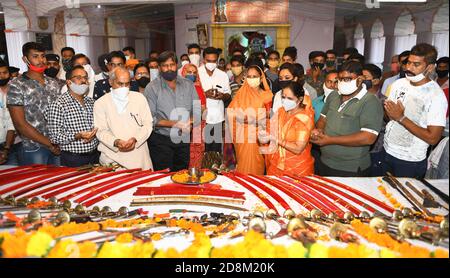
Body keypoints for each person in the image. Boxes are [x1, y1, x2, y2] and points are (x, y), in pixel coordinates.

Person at [382, 43, 447, 178]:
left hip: (409, 160)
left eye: (416, 64)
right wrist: (390, 114)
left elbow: (433, 138)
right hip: (387, 150)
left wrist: (401, 118)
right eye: (408, 63)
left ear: (430, 67)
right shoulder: (398, 84)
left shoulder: (435, 95)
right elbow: (389, 116)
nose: (409, 68)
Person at [310, 61, 383, 177]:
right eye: (340, 79)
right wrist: (319, 131)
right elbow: (322, 120)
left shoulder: (370, 102)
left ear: (360, 80)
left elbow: (368, 138)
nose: (342, 83)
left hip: (350, 168)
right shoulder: (334, 96)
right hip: (325, 162)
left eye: (347, 79)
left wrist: (330, 140)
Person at [7, 42, 63, 165]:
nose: (41, 60)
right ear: (25, 59)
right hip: (34, 147)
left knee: (59, 182)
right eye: (35, 56)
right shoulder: (16, 85)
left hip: (58, 146)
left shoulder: (53, 83)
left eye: (43, 56)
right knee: (38, 183)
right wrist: (49, 143)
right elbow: (20, 124)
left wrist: (59, 141)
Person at [144, 51, 200, 171]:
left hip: (183, 138)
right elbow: (151, 118)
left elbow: (197, 110)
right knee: (164, 178)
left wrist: (189, 122)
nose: (169, 68)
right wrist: (175, 124)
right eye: (165, 65)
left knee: (182, 174)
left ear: (176, 65)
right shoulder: (152, 87)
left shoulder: (188, 84)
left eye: (172, 64)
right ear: (159, 68)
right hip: (161, 139)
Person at [94, 67, 153, 170]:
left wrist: (135, 139)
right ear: (111, 82)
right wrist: (116, 142)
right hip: (112, 159)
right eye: (120, 84)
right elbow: (100, 131)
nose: (124, 87)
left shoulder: (139, 98)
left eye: (127, 84)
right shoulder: (100, 103)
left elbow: (148, 124)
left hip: (139, 157)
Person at [46, 65, 99, 167]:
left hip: (95, 156)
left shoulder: (92, 102)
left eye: (85, 77)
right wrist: (77, 136)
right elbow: (54, 137)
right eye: (79, 78)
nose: (83, 80)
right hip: (73, 159)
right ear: (68, 82)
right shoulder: (58, 104)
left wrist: (94, 135)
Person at [261, 81, 315, 176]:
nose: (285, 100)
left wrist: (275, 139)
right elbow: (270, 129)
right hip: (277, 164)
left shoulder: (304, 118)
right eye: (283, 97)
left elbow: (298, 149)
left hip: (297, 168)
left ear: (300, 99)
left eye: (289, 98)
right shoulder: (281, 111)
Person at [227, 65, 273, 175]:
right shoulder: (240, 94)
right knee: (243, 168)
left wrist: (254, 120)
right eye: (249, 76)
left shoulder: (268, 96)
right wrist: (238, 117)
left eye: (255, 76)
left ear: (261, 78)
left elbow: (271, 119)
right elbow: (230, 112)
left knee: (257, 169)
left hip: (259, 139)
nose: (252, 79)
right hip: (242, 139)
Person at [198, 47, 231, 154]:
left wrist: (222, 96)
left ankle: (213, 170)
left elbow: (228, 94)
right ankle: (202, 170)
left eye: (214, 61)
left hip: (217, 118)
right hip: (201, 118)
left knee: (215, 150)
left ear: (217, 60)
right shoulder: (197, 74)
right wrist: (205, 94)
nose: (211, 63)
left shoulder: (223, 75)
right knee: (202, 149)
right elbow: (190, 94)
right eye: (208, 61)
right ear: (203, 60)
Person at [181, 63, 206, 169]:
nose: (192, 74)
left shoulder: (198, 89)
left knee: (196, 152)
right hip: (180, 125)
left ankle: (195, 176)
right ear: (183, 73)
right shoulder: (176, 87)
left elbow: (203, 109)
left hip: (197, 126)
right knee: (182, 152)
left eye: (194, 73)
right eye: (189, 72)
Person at [362, 64, 386, 176]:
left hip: (375, 150)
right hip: (357, 149)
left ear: (375, 81)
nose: (360, 80)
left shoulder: (384, 102)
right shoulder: (357, 98)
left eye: (364, 78)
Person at [0, 61, 16, 165]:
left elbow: (12, 121)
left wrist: (6, 148)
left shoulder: (16, 91)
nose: (1, 76)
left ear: (9, 74)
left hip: (15, 143)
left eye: (4, 72)